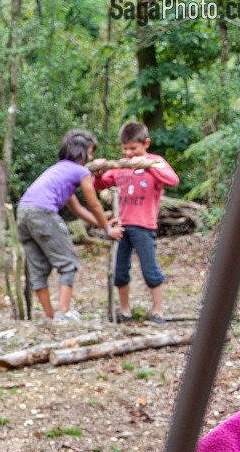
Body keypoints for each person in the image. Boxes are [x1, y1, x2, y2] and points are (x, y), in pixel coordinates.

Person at [15, 129, 122, 321]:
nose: (92, 157)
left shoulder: (59, 170)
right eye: (91, 152)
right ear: (83, 152)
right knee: (68, 262)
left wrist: (101, 222)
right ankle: (63, 313)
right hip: (43, 213)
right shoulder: (80, 171)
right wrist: (108, 229)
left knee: (38, 268)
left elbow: (78, 209)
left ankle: (50, 317)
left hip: (23, 212)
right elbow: (94, 204)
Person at [91, 122, 179, 324]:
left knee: (150, 270)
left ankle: (158, 311)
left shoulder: (155, 162)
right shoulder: (120, 167)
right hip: (121, 226)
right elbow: (100, 184)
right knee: (120, 271)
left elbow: (173, 180)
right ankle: (125, 310)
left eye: (133, 148)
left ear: (145, 144)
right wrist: (97, 172)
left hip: (144, 226)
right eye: (125, 148)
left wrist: (146, 164)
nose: (129, 153)